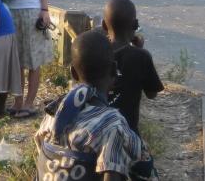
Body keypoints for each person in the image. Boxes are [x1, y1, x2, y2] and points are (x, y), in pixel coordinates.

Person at [35, 29, 155, 181]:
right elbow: (111, 175)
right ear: (114, 69)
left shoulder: (53, 112)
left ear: (73, 72)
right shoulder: (112, 125)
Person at [103, 0, 164, 136]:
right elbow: (151, 94)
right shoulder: (142, 57)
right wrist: (140, 50)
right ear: (135, 24)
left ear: (104, 25)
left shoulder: (95, 52)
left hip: (96, 131)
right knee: (145, 159)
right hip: (127, 134)